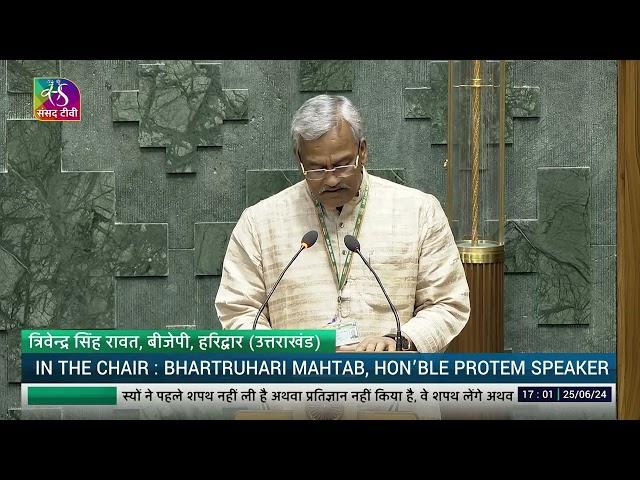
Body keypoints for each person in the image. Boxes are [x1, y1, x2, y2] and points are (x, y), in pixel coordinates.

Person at [215, 94, 470, 352]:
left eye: (342, 164)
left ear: (363, 151)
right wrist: (290, 353)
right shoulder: (259, 223)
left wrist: (399, 340)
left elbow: (448, 302)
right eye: (316, 169)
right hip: (297, 385)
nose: (332, 180)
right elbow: (239, 311)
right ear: (299, 160)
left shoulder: (419, 211)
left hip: (391, 384)